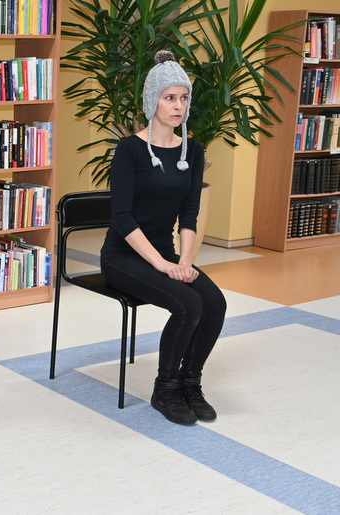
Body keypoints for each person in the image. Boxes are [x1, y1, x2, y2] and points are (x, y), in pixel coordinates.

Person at [100, 51, 227, 425]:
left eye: (183, 97)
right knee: (188, 304)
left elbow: (189, 213)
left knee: (214, 303)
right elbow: (122, 218)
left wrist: (184, 262)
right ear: (151, 100)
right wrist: (163, 265)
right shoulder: (130, 150)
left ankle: (190, 382)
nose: (178, 106)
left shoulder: (194, 151)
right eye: (169, 97)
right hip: (123, 256)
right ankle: (165, 388)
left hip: (168, 255)